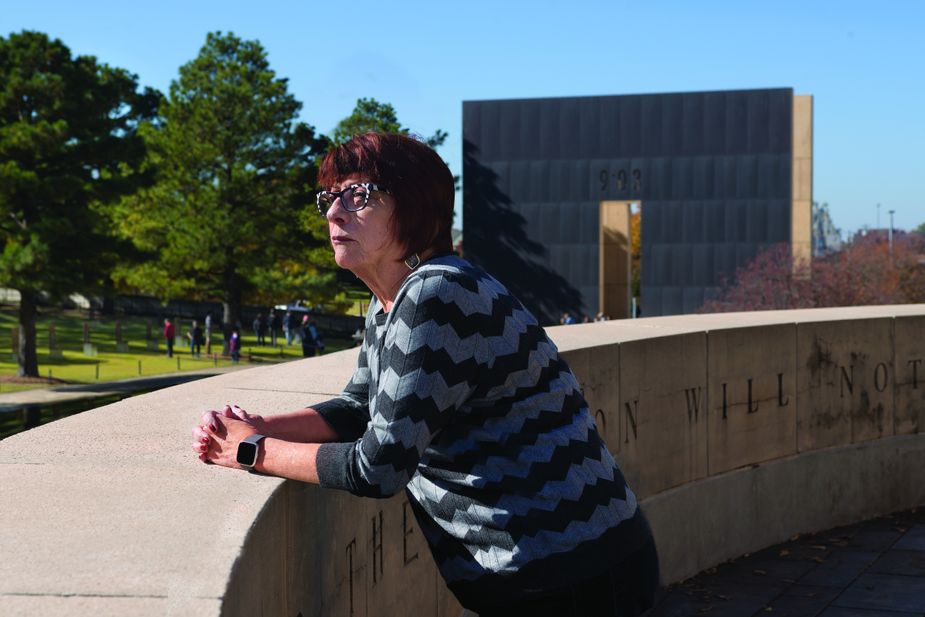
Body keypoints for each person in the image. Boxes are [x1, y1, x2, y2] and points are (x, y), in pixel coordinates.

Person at [192, 133, 658, 616]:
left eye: (358, 196)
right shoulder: (391, 299)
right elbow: (359, 407)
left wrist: (250, 451)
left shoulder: (435, 294)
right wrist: (264, 425)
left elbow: (378, 466)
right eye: (330, 198)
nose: (334, 213)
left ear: (415, 209)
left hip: (571, 577)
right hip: (570, 566)